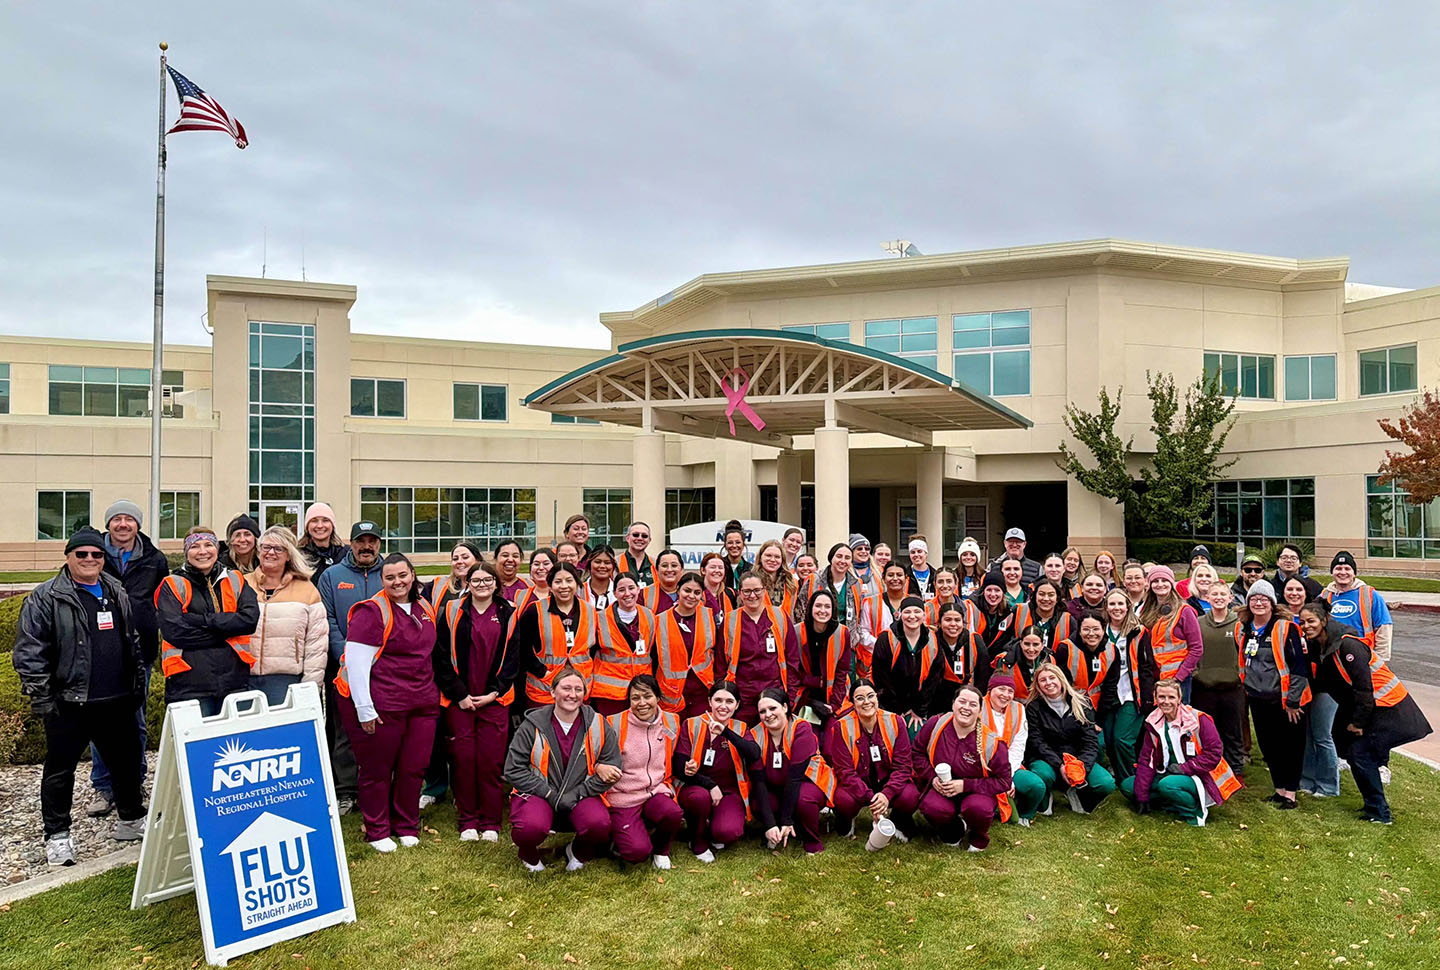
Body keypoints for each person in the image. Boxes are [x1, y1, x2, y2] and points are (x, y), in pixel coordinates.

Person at [13, 527, 148, 866]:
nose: (90, 560)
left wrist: (137, 685)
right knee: (60, 772)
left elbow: (130, 640)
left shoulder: (114, 590)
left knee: (127, 764)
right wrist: (42, 698)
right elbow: (30, 652)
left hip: (116, 699)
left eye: (96, 554)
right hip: (68, 702)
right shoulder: (46, 597)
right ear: (68, 557)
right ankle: (57, 836)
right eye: (82, 554)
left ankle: (131, 820)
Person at [334, 552, 440, 852]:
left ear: (412, 575)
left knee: (413, 767)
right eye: (390, 577)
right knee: (377, 769)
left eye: (403, 575)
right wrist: (364, 710)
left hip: (421, 701)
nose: (398, 582)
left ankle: (406, 824)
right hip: (381, 702)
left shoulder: (424, 607)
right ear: (382, 580)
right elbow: (356, 665)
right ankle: (377, 829)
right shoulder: (372, 611)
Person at [1301, 600, 1433, 823]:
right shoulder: (1321, 646)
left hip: (1390, 708)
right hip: (1373, 708)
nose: (1306, 626)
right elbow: (1323, 682)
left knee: (1361, 754)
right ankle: (1374, 807)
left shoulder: (1348, 646)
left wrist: (1358, 723)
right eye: (1302, 622)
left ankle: (1380, 813)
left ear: (1324, 621)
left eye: (1311, 621)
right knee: (1356, 754)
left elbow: (1364, 688)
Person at [87, 499, 169, 819]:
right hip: (99, 652)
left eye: (129, 519)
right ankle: (104, 786)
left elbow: (164, 601)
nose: (123, 524)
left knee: (135, 719)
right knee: (101, 720)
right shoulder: (92, 555)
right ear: (108, 524)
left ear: (138, 524)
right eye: (116, 519)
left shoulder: (154, 559)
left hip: (141, 651)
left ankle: (134, 783)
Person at [504, 665, 621, 872]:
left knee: (600, 825)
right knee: (529, 828)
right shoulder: (532, 724)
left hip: (582, 795)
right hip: (539, 794)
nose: (572, 694)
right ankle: (529, 855)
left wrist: (578, 793)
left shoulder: (599, 724)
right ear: (552, 692)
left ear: (585, 694)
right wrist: (549, 793)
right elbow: (513, 769)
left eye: (578, 689)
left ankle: (577, 852)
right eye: (566, 688)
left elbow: (613, 767)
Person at [433, 560, 515, 842]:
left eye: (487, 580)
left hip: (495, 701)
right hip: (461, 702)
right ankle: (468, 820)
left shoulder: (508, 613)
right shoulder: (452, 611)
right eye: (476, 580)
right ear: (467, 584)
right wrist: (460, 695)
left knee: (491, 763)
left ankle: (491, 822)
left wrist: (495, 692)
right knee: (464, 761)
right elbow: (441, 657)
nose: (482, 585)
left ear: (496, 583)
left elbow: (512, 660)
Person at [315, 520, 384, 815]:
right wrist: (347, 655)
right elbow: (327, 618)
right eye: (360, 541)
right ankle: (345, 790)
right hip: (342, 666)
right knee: (344, 729)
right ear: (351, 543)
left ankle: (380, 786)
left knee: (381, 727)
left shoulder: (390, 573)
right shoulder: (332, 576)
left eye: (372, 541)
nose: (366, 547)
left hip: (383, 666)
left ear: (379, 544)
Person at [155, 526, 260, 717]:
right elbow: (176, 633)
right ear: (186, 552)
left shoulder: (235, 579)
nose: (202, 552)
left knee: (234, 744)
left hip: (234, 682)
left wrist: (199, 620)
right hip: (188, 685)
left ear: (217, 549)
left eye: (208, 545)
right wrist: (227, 633)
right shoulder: (172, 584)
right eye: (195, 546)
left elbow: (249, 621)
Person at [1122, 679, 1242, 826]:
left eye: (1171, 697)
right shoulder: (1153, 722)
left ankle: (1193, 812)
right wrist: (1141, 796)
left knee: (1167, 784)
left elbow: (1214, 754)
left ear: (1179, 699)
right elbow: (1146, 760)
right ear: (1155, 698)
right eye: (1161, 697)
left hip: (1199, 775)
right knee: (1128, 786)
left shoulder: (1199, 719)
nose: (1166, 702)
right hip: (1167, 772)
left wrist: (1184, 768)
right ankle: (1171, 804)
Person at [1235, 580, 1309, 809]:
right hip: (1258, 699)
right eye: (1254, 599)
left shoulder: (1286, 629)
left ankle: (1291, 794)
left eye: (1264, 599)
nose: (1258, 603)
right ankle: (1278, 790)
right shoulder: (1243, 629)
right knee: (1269, 747)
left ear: (1272, 604)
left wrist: (1293, 701)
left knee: (1290, 748)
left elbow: (1299, 667)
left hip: (1287, 702)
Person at [600, 675, 686, 869]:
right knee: (637, 853)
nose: (642, 703)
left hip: (654, 792)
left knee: (673, 813)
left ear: (657, 697)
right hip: (623, 797)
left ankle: (661, 850)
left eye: (647, 696)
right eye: (635, 698)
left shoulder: (671, 721)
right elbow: (596, 758)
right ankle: (616, 838)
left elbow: (678, 755)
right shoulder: (613, 723)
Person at [913, 684, 1012, 851]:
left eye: (973, 704)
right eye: (962, 701)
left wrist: (965, 785)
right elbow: (916, 753)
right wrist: (932, 777)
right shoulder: (936, 724)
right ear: (953, 704)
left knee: (978, 808)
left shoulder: (992, 743)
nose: (966, 708)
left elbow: (1004, 781)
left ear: (980, 710)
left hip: (976, 793)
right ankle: (953, 829)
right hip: (942, 788)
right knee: (932, 806)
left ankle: (978, 836)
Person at [825, 678, 919, 842]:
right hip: (858, 783)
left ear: (877, 697)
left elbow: (903, 766)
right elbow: (844, 772)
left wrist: (886, 795)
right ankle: (847, 820)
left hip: (888, 781)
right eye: (860, 698)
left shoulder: (896, 721)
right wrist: (871, 798)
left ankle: (898, 820)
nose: (866, 702)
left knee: (910, 796)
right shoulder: (842, 727)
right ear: (852, 703)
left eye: (870, 696)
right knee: (843, 799)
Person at [674, 681, 758, 862]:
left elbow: (754, 754)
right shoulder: (691, 724)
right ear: (709, 701)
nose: (723, 706)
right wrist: (708, 784)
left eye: (729, 701)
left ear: (737, 705)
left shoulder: (741, 728)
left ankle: (712, 826)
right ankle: (697, 840)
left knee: (728, 832)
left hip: (729, 791)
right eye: (718, 700)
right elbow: (678, 765)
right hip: (697, 787)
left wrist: (726, 732)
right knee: (699, 798)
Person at [245, 526, 328, 705]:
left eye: (279, 548)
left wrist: (310, 687)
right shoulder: (241, 584)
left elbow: (317, 645)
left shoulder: (307, 590)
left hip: (285, 680)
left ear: (289, 554)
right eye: (266, 547)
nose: (271, 553)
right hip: (242, 678)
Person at [748, 687, 835, 854]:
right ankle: (774, 831)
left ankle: (811, 840)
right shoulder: (754, 734)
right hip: (776, 787)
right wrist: (769, 824)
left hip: (806, 782)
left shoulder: (802, 729)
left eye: (773, 708)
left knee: (803, 799)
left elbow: (795, 779)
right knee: (758, 801)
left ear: (785, 707)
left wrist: (786, 819)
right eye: (762, 711)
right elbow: (758, 782)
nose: (768, 714)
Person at [1024, 662, 1115, 819]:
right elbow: (1036, 741)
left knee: (1106, 784)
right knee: (1042, 774)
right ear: (1037, 686)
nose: (1048, 683)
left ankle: (1077, 793)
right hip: (1047, 757)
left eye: (1052, 678)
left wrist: (1080, 767)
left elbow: (1090, 741)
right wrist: (1059, 765)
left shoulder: (1082, 702)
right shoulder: (1033, 707)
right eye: (1043, 680)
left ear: (1061, 679)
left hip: (1076, 757)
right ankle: (1047, 796)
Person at [510, 562, 596, 709]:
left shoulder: (589, 610)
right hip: (544, 689)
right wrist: (543, 673)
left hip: (580, 688)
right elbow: (521, 648)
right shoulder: (535, 611)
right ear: (550, 585)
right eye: (558, 581)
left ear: (577, 583)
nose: (564, 586)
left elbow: (592, 648)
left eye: (569, 581)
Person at [718, 571, 799, 724]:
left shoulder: (779, 616)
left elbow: (792, 659)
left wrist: (790, 696)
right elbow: (720, 663)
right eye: (747, 591)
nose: (752, 595)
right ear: (740, 594)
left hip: (774, 693)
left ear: (764, 590)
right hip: (743, 697)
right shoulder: (730, 620)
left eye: (757, 590)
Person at [1095, 589, 1157, 781]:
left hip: (1131, 693)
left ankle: (1130, 778)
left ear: (1128, 606)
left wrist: (1147, 698)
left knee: (1123, 739)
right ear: (1105, 607)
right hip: (1104, 694)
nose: (1116, 608)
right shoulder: (1098, 630)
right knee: (1108, 739)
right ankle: (1115, 772)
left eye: (1120, 604)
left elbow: (1147, 667)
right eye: (1112, 604)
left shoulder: (1138, 631)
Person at [872, 596, 953, 733]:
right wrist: (897, 709)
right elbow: (881, 678)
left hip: (920, 708)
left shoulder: (932, 639)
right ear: (899, 615)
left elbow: (935, 677)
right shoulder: (886, 639)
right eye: (907, 612)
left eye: (917, 612)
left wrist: (918, 710)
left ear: (924, 615)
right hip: (892, 706)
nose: (912, 616)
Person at [1191, 579, 1247, 771]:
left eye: (1223, 594)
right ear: (1207, 597)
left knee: (1233, 731)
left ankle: (1236, 769)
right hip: (1204, 687)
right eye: (1214, 594)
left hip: (1232, 687)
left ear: (1230, 598)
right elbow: (1191, 650)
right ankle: (1209, 768)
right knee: (1206, 731)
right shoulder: (1198, 623)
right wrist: (1197, 673)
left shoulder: (1239, 624)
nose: (1219, 598)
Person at [654, 571, 721, 715]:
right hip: (671, 693)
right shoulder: (659, 621)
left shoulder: (709, 616)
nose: (691, 596)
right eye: (687, 590)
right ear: (678, 590)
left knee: (700, 733)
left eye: (697, 592)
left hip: (702, 690)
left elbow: (718, 651)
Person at [591, 574, 657, 716]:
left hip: (641, 692)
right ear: (614, 593)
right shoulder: (599, 618)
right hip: (609, 694)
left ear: (638, 589)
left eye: (631, 588)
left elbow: (654, 653)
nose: (627, 593)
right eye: (621, 590)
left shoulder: (650, 616)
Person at [1138, 565, 1204, 703]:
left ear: (1171, 583)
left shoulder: (1184, 611)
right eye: (1155, 581)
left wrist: (1179, 677)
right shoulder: (1146, 611)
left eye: (1164, 580)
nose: (1160, 584)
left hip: (1178, 679)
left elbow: (1197, 648)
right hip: (1154, 677)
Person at [981, 672, 1037, 824]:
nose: (1006, 695)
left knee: (1036, 786)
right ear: (990, 690)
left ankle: (1026, 813)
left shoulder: (1018, 709)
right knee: (1009, 817)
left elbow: (1018, 746)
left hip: (1009, 766)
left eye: (1010, 691)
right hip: (982, 768)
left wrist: (1007, 778)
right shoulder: (978, 707)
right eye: (1001, 689)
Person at [1321, 551, 1394, 660]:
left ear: (1354, 573)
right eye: (1338, 569)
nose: (1342, 572)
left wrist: (1381, 659)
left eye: (1347, 569)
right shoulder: (1324, 596)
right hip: (1331, 658)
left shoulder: (1369, 595)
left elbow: (1383, 627)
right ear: (1332, 572)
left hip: (1363, 657)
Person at [793, 588, 853, 720]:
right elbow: (792, 670)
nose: (822, 611)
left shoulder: (842, 633)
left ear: (833, 610)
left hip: (835, 693)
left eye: (827, 606)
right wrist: (815, 682)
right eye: (818, 606)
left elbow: (842, 672)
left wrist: (834, 705)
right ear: (810, 608)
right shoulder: (797, 632)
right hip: (805, 692)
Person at [861, 562, 913, 656]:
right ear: (883, 579)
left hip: (908, 656)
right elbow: (863, 632)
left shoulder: (914, 603)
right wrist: (883, 646)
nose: (895, 578)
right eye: (890, 575)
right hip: (878, 655)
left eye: (899, 575)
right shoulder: (870, 603)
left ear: (906, 578)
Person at [934, 602, 986, 691]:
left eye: (957, 620)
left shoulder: (974, 640)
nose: (953, 624)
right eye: (948, 620)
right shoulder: (932, 640)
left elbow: (982, 676)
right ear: (939, 622)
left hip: (967, 695)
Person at [991, 626, 1051, 701]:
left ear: (1042, 645)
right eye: (1027, 644)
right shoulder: (1005, 661)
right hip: (1012, 707)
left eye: (1035, 644)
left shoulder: (1050, 660)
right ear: (1020, 643)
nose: (1031, 649)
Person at [1014, 578, 1072, 650]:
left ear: (1057, 598)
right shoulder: (1018, 611)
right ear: (1035, 596)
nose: (1046, 599)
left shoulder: (1068, 620)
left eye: (1051, 595)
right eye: (1041, 594)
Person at [426, 541, 481, 610]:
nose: (459, 561)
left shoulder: (489, 587)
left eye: (465, 557)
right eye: (455, 559)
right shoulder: (437, 586)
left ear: (478, 560)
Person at [971, 574, 1015, 660]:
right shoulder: (973, 608)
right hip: (975, 658)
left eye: (997, 590)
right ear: (983, 591)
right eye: (989, 590)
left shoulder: (1009, 612)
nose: (993, 594)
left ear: (1003, 593)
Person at [298, 502, 346, 580]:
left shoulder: (346, 554)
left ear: (332, 525)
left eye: (325, 520)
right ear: (307, 526)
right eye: (314, 521)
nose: (320, 526)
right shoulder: (298, 555)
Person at [754, 539, 798, 618]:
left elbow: (793, 614)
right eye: (768, 555)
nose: (772, 560)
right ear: (760, 557)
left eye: (777, 557)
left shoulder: (791, 583)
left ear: (782, 560)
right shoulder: (750, 581)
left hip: (785, 629)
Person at [642, 549, 684, 614]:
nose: (669, 569)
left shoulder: (691, 593)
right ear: (656, 570)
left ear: (681, 570)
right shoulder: (643, 594)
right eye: (664, 566)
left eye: (674, 565)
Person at [513, 548, 554, 616]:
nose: (541, 568)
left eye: (546, 564)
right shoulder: (521, 596)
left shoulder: (562, 594)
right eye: (536, 564)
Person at [617, 521, 656, 586]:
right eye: (635, 535)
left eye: (644, 536)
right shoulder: (616, 563)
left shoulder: (656, 563)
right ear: (627, 538)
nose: (640, 538)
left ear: (649, 540)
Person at [699, 552, 736, 619]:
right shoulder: (697, 593)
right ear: (703, 570)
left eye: (720, 568)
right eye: (712, 567)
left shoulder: (731, 594)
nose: (717, 570)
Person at [494, 539, 530, 605]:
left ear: (521, 560)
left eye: (515, 556)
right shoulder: (486, 585)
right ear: (495, 559)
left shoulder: (529, 586)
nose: (510, 560)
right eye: (505, 555)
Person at [583, 544, 618, 610]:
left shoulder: (619, 591)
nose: (602, 566)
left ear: (613, 566)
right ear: (589, 563)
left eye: (607, 563)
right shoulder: (578, 591)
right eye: (597, 562)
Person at [720, 521, 751, 592]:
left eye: (738, 542)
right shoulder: (719, 567)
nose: (734, 546)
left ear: (743, 544)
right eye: (730, 542)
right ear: (725, 545)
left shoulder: (751, 569)